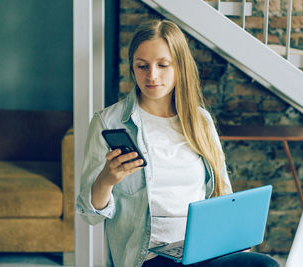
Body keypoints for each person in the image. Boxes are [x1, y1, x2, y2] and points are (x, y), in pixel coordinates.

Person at [77, 19, 279, 267]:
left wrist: (233, 241)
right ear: (132, 67)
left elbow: (223, 193)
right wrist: (106, 179)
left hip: (204, 247)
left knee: (265, 265)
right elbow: (90, 214)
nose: (152, 75)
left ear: (180, 67)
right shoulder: (108, 122)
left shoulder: (200, 121)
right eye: (142, 66)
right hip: (148, 254)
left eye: (163, 65)